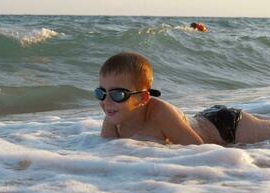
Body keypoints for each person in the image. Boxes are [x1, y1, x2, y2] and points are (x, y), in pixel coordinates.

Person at [94, 52, 270, 145]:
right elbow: (108, 152)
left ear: (143, 98)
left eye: (118, 94)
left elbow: (199, 150)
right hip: (202, 118)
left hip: (226, 126)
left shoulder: (160, 113)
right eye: (101, 93)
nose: (106, 102)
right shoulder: (113, 116)